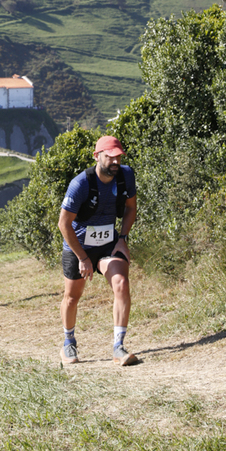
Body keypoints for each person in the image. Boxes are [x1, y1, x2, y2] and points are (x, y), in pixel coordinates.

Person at [58, 135, 138, 366]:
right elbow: (63, 224)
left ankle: (118, 347)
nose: (115, 161)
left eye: (118, 156)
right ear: (97, 156)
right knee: (72, 297)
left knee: (121, 283)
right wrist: (82, 257)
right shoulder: (80, 184)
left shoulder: (126, 175)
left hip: (108, 243)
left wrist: (122, 238)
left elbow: (131, 208)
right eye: (109, 157)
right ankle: (68, 343)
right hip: (78, 246)